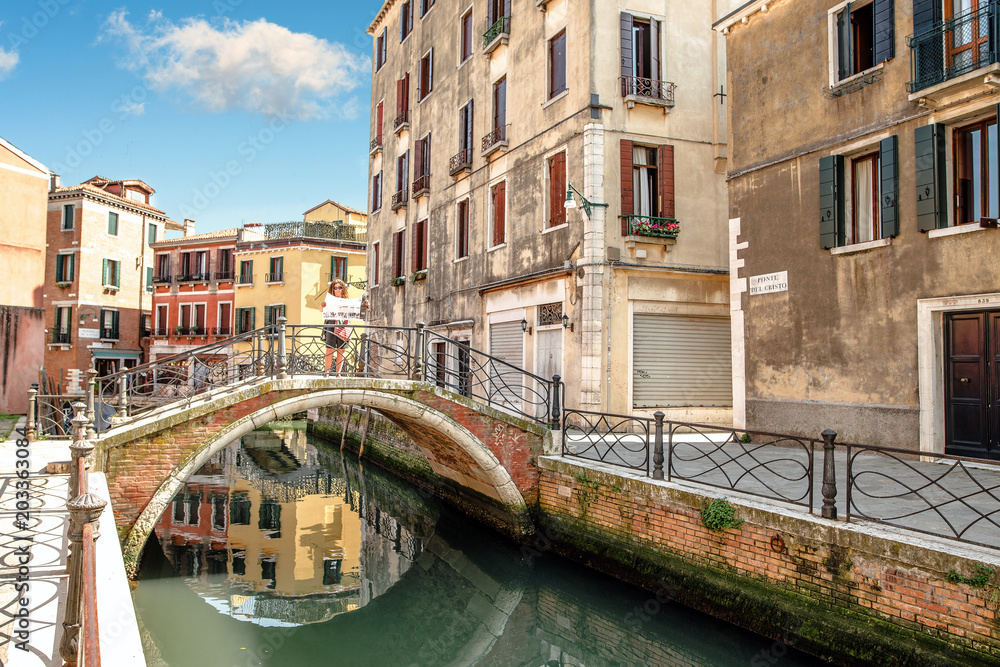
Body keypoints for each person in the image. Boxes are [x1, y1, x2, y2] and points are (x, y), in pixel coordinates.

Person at [321, 279, 369, 374]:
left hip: (343, 327)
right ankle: (326, 373)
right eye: (335, 288)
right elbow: (320, 309)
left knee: (341, 350)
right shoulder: (329, 300)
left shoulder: (348, 301)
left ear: (343, 289)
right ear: (333, 289)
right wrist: (322, 306)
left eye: (340, 287)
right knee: (329, 350)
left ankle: (338, 373)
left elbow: (359, 308)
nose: (337, 290)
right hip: (331, 325)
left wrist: (366, 305)